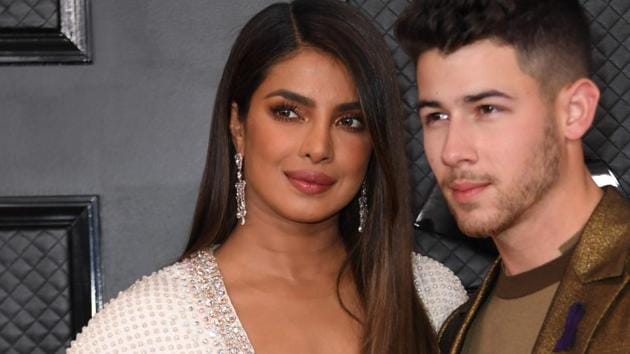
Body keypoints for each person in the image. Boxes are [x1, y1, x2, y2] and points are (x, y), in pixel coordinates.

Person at [68, 1, 467, 353]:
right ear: (238, 125)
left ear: (375, 141)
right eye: (288, 113)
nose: (318, 147)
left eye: (350, 121)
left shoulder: (431, 295)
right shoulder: (151, 326)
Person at [395, 0, 629, 353]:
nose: (452, 151)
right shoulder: (454, 330)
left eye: (487, 109)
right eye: (437, 117)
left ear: (574, 111)